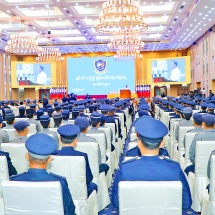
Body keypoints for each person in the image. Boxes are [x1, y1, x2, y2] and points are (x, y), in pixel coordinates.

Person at [111, 117, 193, 213]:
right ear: (162, 143)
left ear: (139, 142)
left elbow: (116, 202)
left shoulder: (125, 169)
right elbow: (186, 203)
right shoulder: (174, 168)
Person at [10, 133, 76, 215]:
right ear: (50, 159)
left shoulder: (13, 181)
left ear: (27, 156)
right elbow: (69, 211)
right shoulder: (59, 183)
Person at [53, 124, 98, 197]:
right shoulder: (82, 156)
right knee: (93, 185)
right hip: (80, 192)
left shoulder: (53, 155)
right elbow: (89, 178)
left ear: (60, 139)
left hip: (59, 191)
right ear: (75, 140)